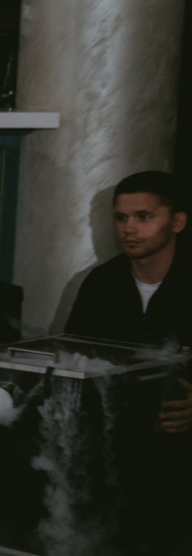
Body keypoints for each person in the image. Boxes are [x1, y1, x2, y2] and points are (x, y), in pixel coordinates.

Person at [65, 170, 192, 432]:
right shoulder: (101, 282)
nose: (129, 228)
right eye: (121, 218)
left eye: (144, 217)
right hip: (113, 428)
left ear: (177, 222)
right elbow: (73, 355)